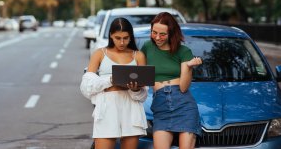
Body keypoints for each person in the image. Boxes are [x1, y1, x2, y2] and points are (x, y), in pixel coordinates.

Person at [80, 17, 148, 149]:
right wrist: (111, 80)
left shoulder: (138, 56)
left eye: (126, 38)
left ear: (131, 37)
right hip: (107, 108)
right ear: (111, 35)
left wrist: (135, 90)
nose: (122, 42)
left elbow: (143, 95)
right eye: (118, 38)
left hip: (131, 109)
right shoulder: (99, 54)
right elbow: (86, 87)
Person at [141, 12, 202, 149]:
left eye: (162, 34)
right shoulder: (147, 48)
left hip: (183, 105)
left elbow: (183, 88)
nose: (157, 37)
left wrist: (188, 67)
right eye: (154, 32)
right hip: (160, 105)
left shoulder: (184, 51)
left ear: (172, 33)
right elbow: (142, 77)